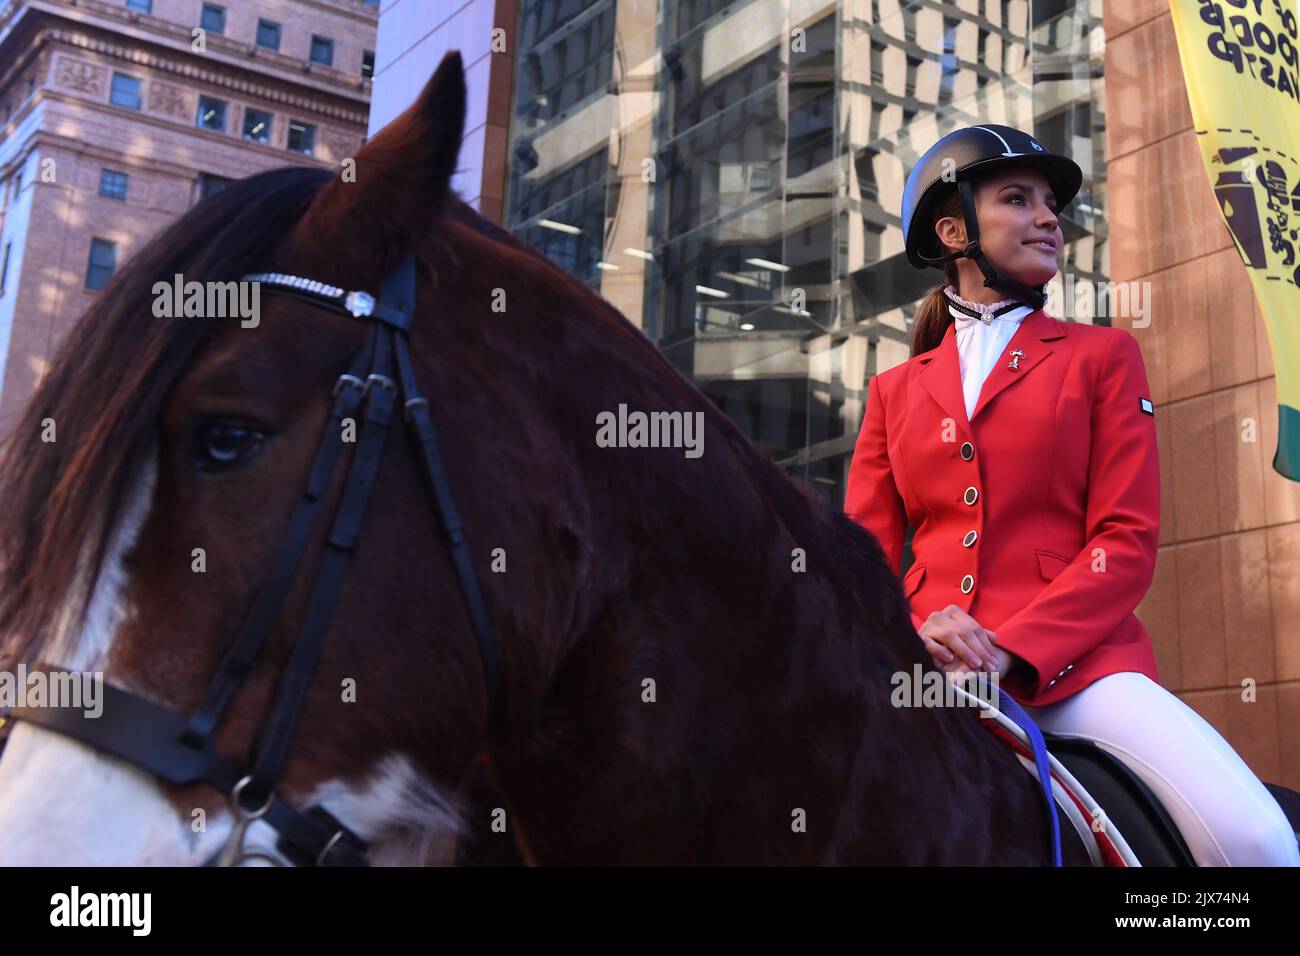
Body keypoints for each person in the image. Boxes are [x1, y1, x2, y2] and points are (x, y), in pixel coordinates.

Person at [845, 124, 1299, 866]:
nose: (1050, 218)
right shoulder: (893, 392)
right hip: (924, 672)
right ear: (954, 229)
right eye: (1019, 200)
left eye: (1050, 203)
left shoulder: (1104, 357)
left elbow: (1123, 542)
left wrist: (1007, 649)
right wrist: (915, 634)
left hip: (1075, 673)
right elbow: (859, 557)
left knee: (1261, 843)